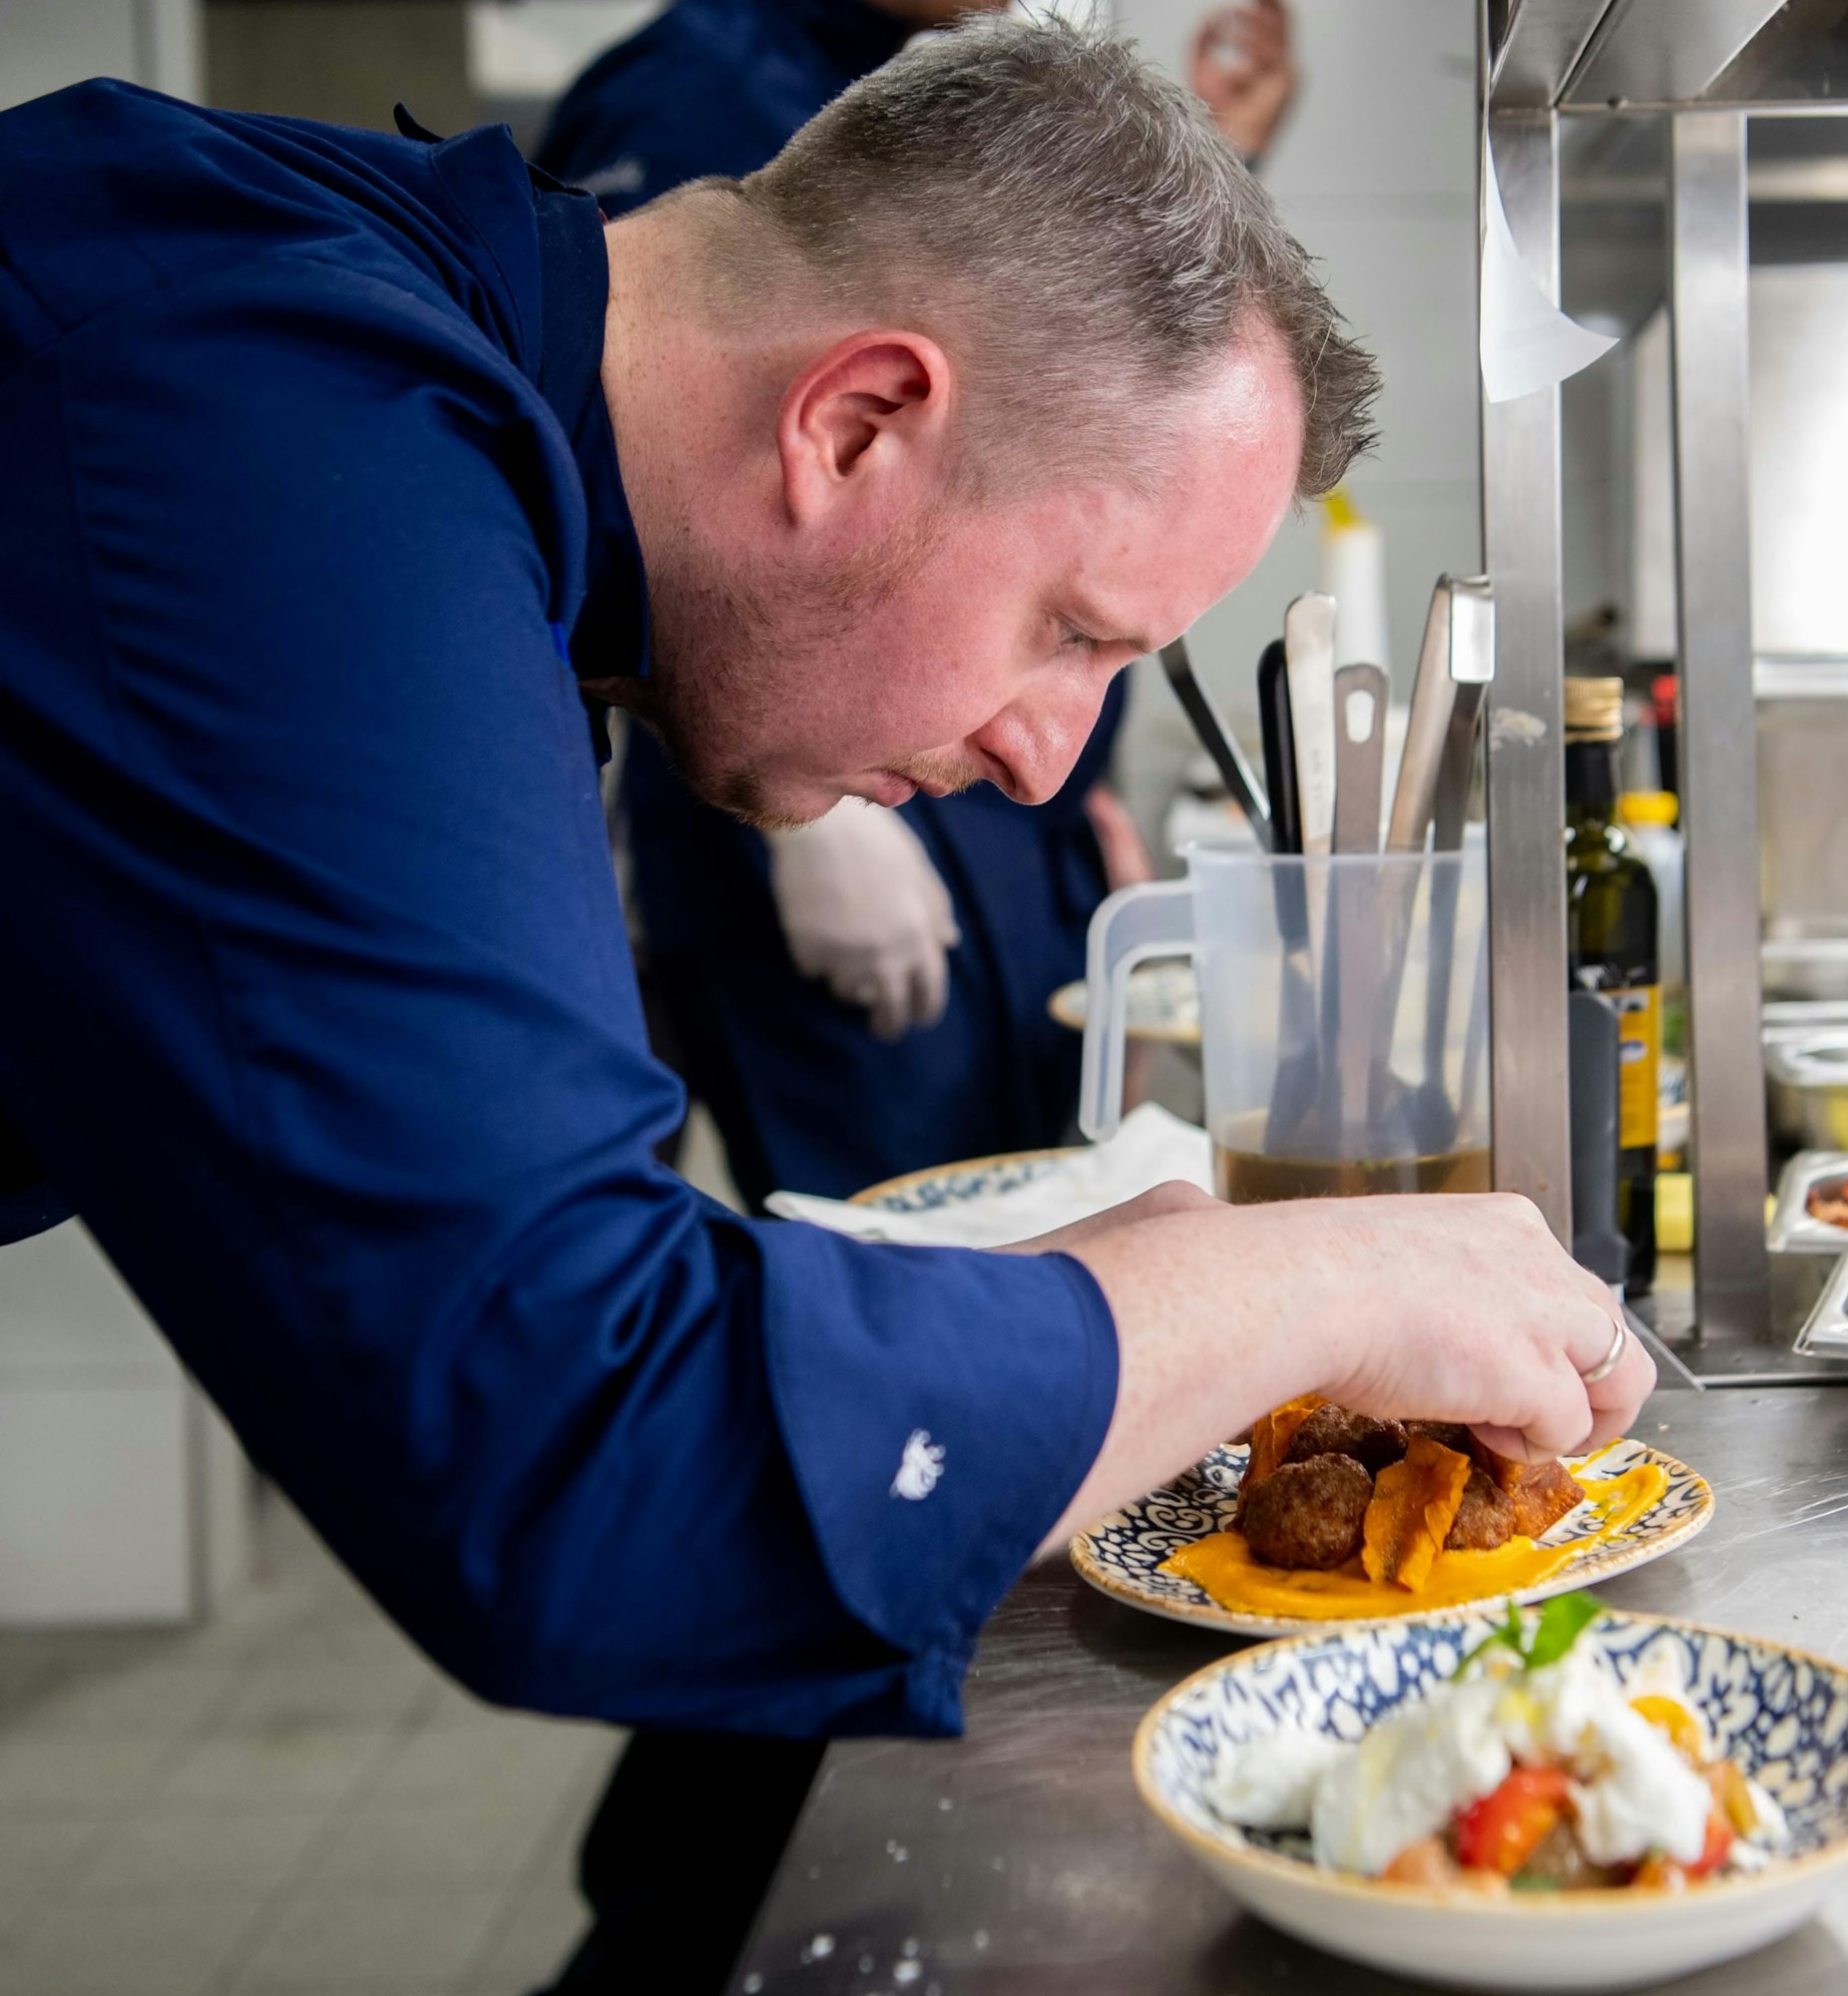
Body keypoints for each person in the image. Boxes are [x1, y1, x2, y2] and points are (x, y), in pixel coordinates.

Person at [0, 19, 1652, 1994]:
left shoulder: (416, 412)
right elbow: (567, 1452)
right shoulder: (270, 415)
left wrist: (1152, 1282)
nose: (1056, 764)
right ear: (856, 420)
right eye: (1073, 632)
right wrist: (1289, 1286)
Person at [537, 0, 1299, 1208]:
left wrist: (1076, 795)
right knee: (887, 1249)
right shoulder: (695, 91)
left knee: (1012, 1216)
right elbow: (669, 501)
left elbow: (1067, 410)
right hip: (827, 824)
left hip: (1004, 851)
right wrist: (813, 833)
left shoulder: (931, 90)